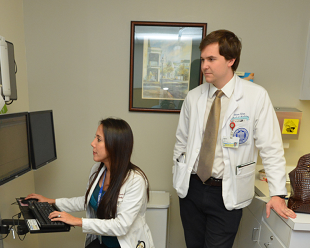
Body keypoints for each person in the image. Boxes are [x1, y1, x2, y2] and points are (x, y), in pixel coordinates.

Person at [172, 29, 296, 248]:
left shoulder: (255, 96)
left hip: (226, 192)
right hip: (192, 189)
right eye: (202, 59)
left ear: (231, 60)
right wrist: (179, 175)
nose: (204, 66)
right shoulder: (194, 97)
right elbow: (181, 142)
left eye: (211, 59)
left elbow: (271, 148)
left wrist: (278, 193)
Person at [26, 118, 154, 248]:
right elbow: (88, 201)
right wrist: (51, 201)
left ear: (114, 145)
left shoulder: (135, 181)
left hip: (125, 244)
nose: (92, 143)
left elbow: (121, 226)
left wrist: (77, 221)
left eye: (99, 139)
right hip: (101, 242)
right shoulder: (97, 171)